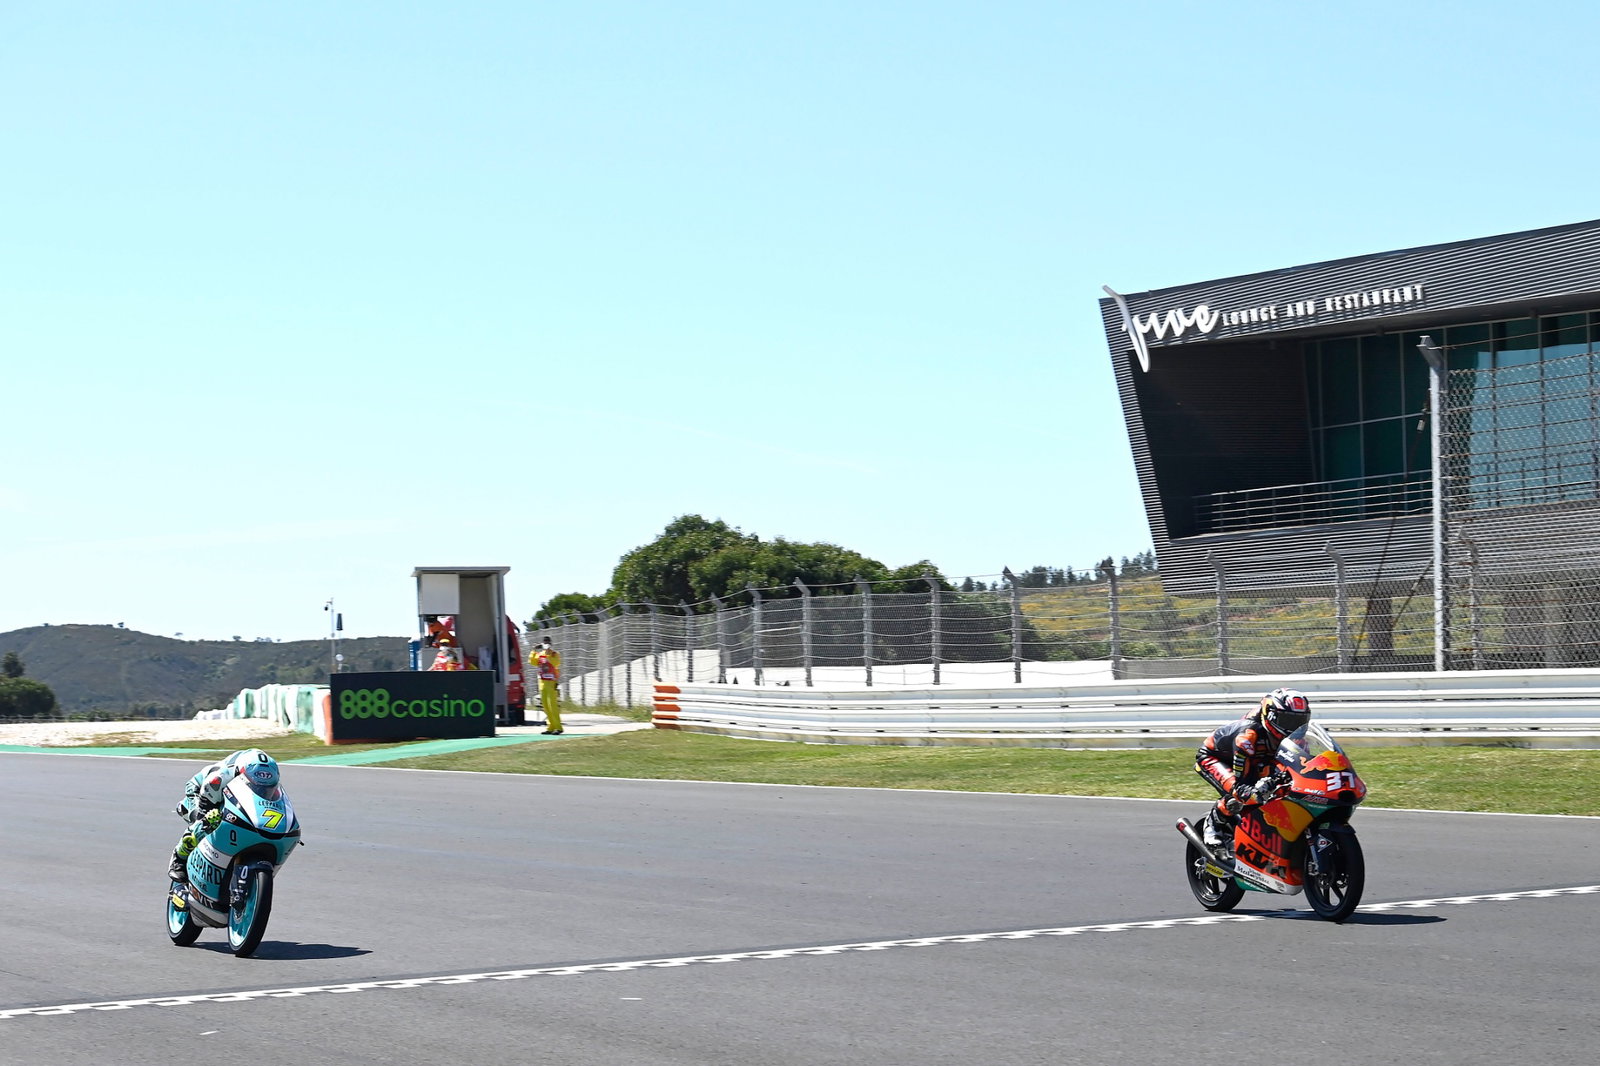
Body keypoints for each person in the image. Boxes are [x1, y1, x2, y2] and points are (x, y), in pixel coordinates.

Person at [1194, 687, 1312, 848]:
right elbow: (1243, 784)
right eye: (1288, 721)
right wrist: (1257, 789)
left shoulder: (1297, 740)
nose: (1293, 728)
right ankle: (1213, 823)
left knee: (1284, 785)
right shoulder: (1247, 737)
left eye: (1299, 722)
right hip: (1216, 757)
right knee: (1244, 794)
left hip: (1257, 758)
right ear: (1271, 716)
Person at [166, 748, 280, 883]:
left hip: (230, 792)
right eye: (258, 788)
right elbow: (205, 808)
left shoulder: (266, 777)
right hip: (202, 791)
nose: (263, 792)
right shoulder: (219, 779)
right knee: (209, 820)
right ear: (241, 776)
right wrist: (205, 818)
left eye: (267, 789)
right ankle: (179, 857)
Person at [530, 637, 563, 734]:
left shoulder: (554, 654)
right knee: (545, 706)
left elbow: (556, 663)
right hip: (542, 683)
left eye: (548, 642)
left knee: (552, 705)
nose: (546, 644)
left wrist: (548, 653)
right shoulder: (540, 655)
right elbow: (532, 661)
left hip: (551, 682)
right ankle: (550, 727)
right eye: (545, 642)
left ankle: (558, 727)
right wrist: (534, 650)